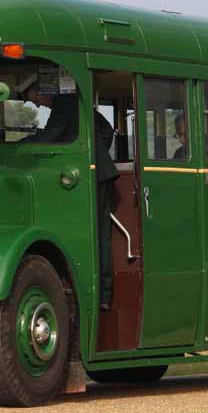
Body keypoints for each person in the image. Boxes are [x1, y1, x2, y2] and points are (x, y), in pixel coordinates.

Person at [93, 110, 119, 310]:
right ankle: (104, 294)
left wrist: (96, 156)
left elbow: (52, 135)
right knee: (102, 236)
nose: (31, 101)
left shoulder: (65, 101)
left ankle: (103, 292)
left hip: (98, 176)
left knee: (100, 235)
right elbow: (108, 129)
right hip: (103, 173)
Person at [17, 74, 78, 144]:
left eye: (36, 101)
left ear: (46, 91)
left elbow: (51, 132)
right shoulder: (60, 103)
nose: (37, 106)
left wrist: (22, 143)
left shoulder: (65, 103)